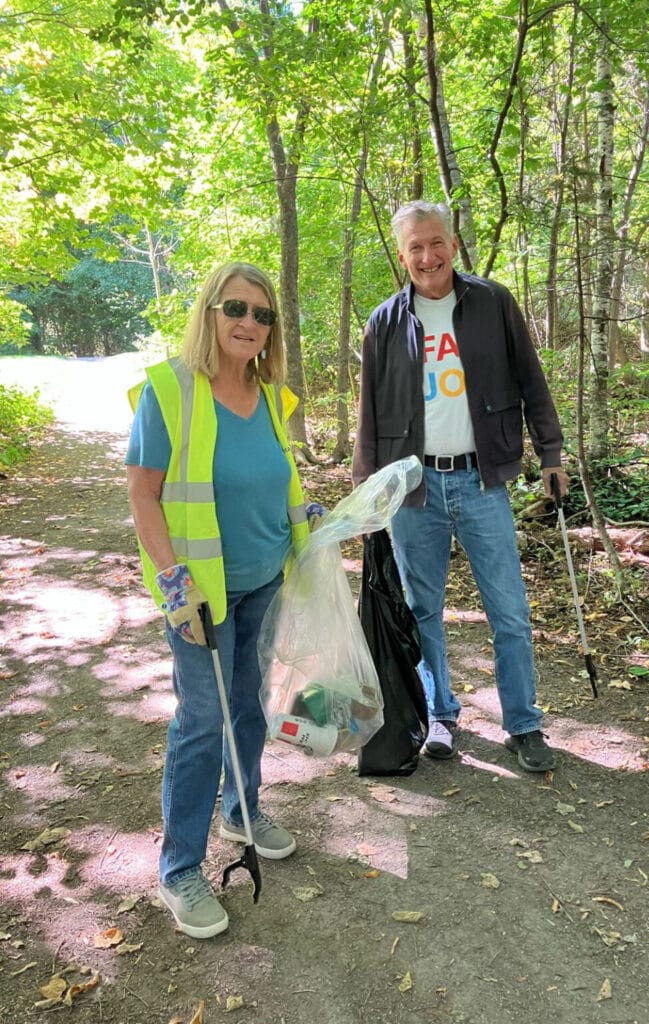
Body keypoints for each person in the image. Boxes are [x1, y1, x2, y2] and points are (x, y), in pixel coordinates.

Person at [126, 262, 319, 939]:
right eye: (236, 308)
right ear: (210, 312)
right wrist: (176, 588)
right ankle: (179, 866)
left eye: (263, 315)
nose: (249, 323)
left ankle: (242, 808)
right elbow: (144, 496)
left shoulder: (272, 396)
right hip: (199, 595)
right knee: (202, 722)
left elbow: (276, 483)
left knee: (249, 706)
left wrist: (313, 524)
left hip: (266, 579)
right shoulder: (169, 390)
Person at [352, 201, 569, 772]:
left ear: (453, 244)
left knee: (510, 612)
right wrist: (366, 490)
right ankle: (441, 715)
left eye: (436, 242)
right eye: (415, 247)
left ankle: (523, 724)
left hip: (480, 479)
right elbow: (369, 415)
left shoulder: (492, 303)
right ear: (403, 256)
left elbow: (530, 378)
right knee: (422, 610)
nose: (428, 256)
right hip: (413, 488)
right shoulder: (384, 322)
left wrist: (552, 451)